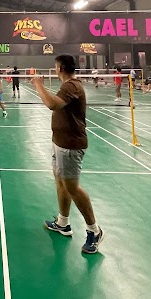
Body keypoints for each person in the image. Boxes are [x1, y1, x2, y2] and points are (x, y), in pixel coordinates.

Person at [31, 55, 103, 254]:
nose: (54, 69)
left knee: (72, 187)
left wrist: (38, 85)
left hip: (71, 145)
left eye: (55, 66)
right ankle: (63, 222)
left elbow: (52, 104)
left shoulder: (72, 86)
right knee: (61, 182)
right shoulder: (68, 86)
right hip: (59, 143)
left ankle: (94, 230)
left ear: (60, 68)